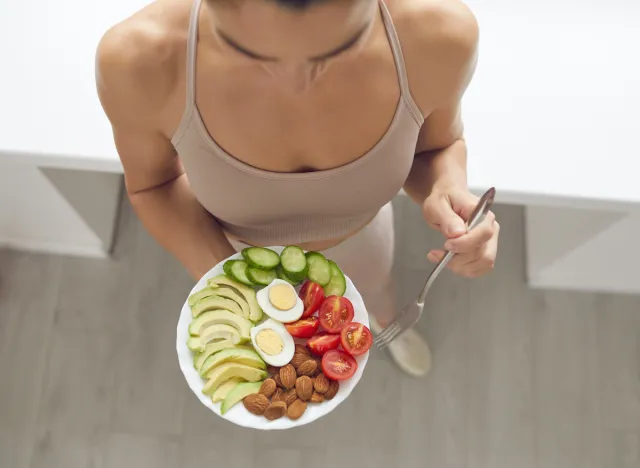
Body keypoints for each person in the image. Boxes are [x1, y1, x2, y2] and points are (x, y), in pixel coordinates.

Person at [96, 0, 499, 377]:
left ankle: (384, 322)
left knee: (377, 292)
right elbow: (154, 185)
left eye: (336, 52)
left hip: (363, 239)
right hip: (234, 252)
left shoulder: (439, 35)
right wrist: (228, 278)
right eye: (252, 55)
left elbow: (435, 145)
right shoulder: (139, 60)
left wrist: (447, 186)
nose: (297, 82)